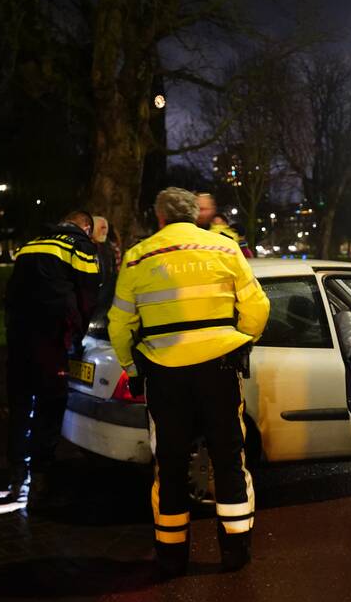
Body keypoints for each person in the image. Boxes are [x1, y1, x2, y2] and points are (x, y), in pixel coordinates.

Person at [108, 188, 270, 576]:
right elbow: (258, 308)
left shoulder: (138, 256)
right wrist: (240, 341)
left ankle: (172, 554)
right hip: (218, 368)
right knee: (229, 459)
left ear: (160, 217)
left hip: (165, 375)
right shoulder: (225, 249)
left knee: (171, 464)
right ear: (197, 216)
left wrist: (132, 368)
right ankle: (234, 549)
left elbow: (119, 324)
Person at [4, 210, 99, 507]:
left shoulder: (32, 243)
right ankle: (40, 475)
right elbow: (87, 295)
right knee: (50, 403)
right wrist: (79, 334)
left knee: (20, 404)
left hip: (18, 337)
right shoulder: (78, 245)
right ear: (85, 226)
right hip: (52, 338)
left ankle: (16, 470)